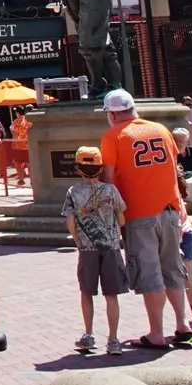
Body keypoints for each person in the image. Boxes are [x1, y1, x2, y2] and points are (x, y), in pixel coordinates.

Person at [98, 90, 187, 349]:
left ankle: (156, 333)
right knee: (173, 267)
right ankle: (182, 324)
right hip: (169, 208)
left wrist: (112, 214)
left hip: (137, 213)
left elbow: (109, 178)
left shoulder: (113, 135)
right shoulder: (160, 129)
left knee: (149, 273)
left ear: (112, 114)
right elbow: (173, 168)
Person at [63, 146, 128, 355]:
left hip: (87, 247)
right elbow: (122, 218)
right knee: (112, 295)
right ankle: (114, 339)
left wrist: (77, 239)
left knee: (86, 292)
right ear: (100, 168)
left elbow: (70, 221)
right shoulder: (111, 190)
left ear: (78, 168)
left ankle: (89, 334)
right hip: (110, 246)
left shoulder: (73, 192)